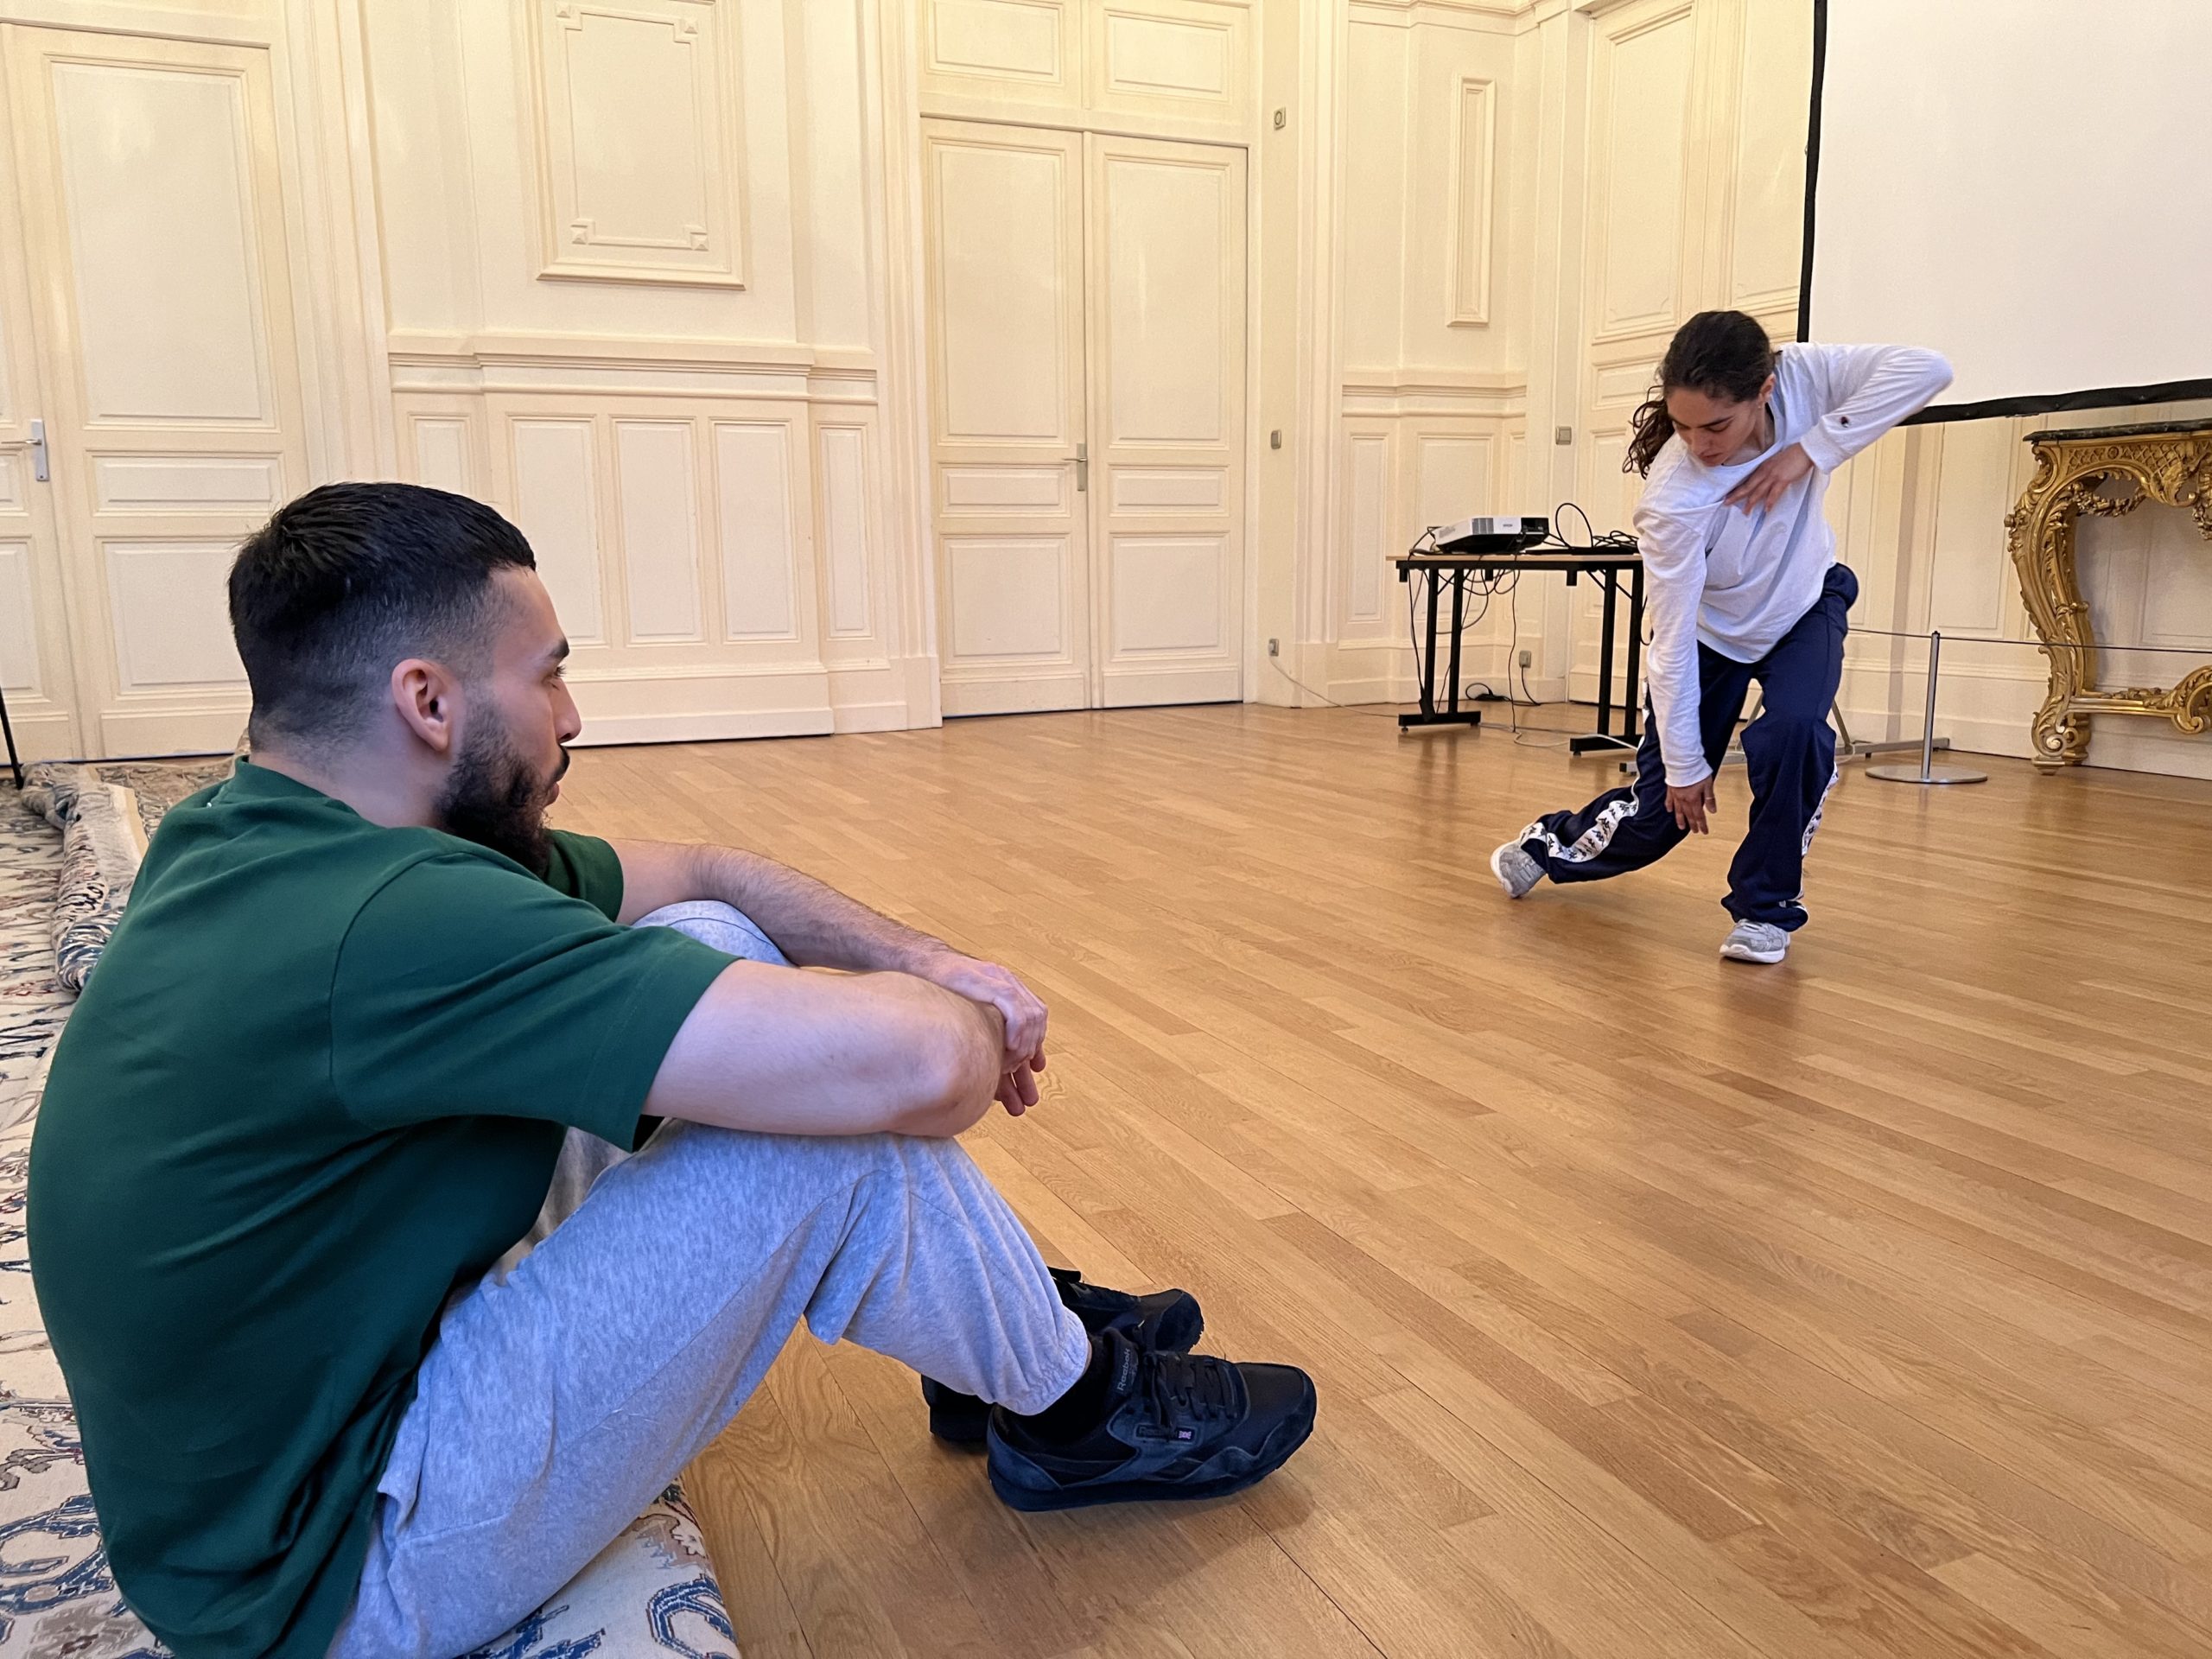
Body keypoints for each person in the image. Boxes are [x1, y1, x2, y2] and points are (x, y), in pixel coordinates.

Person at [26, 482, 1315, 1659]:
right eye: (549, 676)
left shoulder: (263, 831)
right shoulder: (396, 921)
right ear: (429, 702)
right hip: (335, 1572)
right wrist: (964, 1014)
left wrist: (932, 953)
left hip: (293, 1443)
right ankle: (1078, 1410)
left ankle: (991, 1334)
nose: (575, 716)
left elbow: (694, 871)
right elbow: (921, 1070)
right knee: (825, 1134)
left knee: (706, 947)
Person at [1489, 311, 1952, 963]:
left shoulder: (1801, 380)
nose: (1699, 444)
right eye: (1681, 427)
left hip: (1804, 605)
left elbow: (1929, 368)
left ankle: (1765, 912)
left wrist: (1808, 452)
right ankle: (1549, 843)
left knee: (1796, 736)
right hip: (1710, 639)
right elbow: (1670, 641)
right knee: (1659, 820)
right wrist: (1685, 768)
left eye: (1715, 426)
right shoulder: (1674, 500)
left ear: (1764, 390)